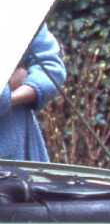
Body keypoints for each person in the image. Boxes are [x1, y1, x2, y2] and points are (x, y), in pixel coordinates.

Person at [0, 24, 66, 162]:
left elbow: (51, 69)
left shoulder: (20, 15)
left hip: (17, 147)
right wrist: (9, 86)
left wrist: (12, 97)